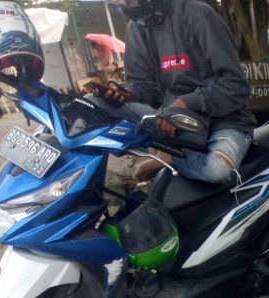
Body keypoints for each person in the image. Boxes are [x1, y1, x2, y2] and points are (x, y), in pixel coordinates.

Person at [102, 0, 254, 184]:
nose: (127, 4)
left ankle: (171, 158)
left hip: (225, 122)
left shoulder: (198, 14)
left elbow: (236, 86)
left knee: (216, 170)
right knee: (94, 103)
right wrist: (125, 94)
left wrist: (186, 103)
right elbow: (147, 89)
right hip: (173, 124)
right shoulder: (136, 28)